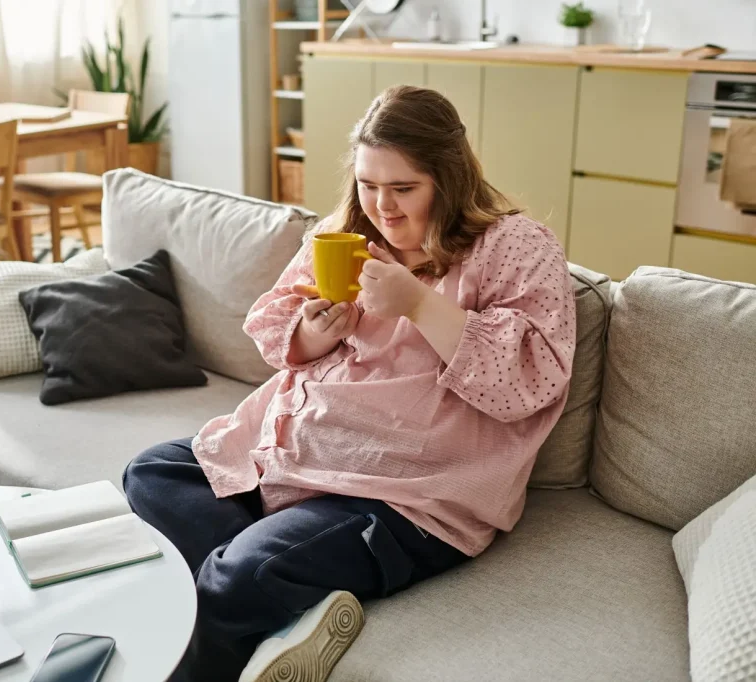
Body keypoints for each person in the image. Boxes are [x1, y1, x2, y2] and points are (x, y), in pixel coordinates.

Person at [123, 85, 577, 682]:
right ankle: (288, 605)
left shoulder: (513, 245)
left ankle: (252, 582)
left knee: (239, 577)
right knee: (153, 472)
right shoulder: (348, 235)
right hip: (287, 460)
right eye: (368, 184)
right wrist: (312, 334)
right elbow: (275, 325)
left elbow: (528, 379)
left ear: (450, 179)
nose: (384, 206)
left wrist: (418, 303)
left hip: (400, 495)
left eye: (404, 188)